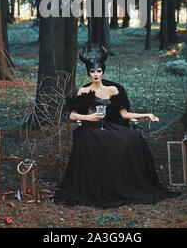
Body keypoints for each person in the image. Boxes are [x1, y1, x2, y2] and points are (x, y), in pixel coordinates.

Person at [54, 46, 179, 208]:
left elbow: (124, 114)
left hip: (110, 125)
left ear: (103, 72)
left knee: (132, 137)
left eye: (98, 71)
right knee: (95, 139)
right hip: (90, 128)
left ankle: (125, 183)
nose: (96, 75)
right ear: (88, 73)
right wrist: (88, 117)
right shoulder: (83, 91)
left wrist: (146, 115)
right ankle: (100, 186)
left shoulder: (114, 89)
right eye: (92, 72)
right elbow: (71, 115)